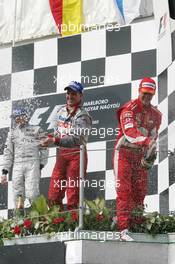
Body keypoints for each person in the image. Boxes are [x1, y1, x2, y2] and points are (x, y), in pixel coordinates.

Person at [113, 77, 162, 241]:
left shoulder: (156, 114)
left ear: (154, 94)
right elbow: (130, 133)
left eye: (150, 94)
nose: (147, 97)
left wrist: (151, 154)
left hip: (139, 158)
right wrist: (148, 142)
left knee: (140, 193)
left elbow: (154, 137)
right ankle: (123, 230)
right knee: (124, 192)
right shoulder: (128, 108)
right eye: (145, 93)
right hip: (124, 155)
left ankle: (136, 225)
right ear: (139, 91)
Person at [41, 81, 92, 210]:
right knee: (54, 192)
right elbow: (57, 133)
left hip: (77, 155)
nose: (70, 96)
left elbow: (76, 139)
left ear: (80, 96)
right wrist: (46, 138)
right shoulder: (60, 111)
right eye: (68, 93)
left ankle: (72, 224)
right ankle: (57, 222)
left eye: (73, 94)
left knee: (73, 193)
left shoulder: (83, 116)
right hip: (62, 155)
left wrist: (55, 140)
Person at [0, 108, 48, 210]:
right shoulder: (12, 133)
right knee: (17, 194)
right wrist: (4, 172)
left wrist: (41, 164)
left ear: (25, 116)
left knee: (32, 193)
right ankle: (19, 221)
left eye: (19, 116)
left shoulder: (37, 129)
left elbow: (44, 147)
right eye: (15, 117)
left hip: (33, 163)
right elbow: (8, 152)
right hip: (18, 164)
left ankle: (39, 219)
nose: (17, 119)